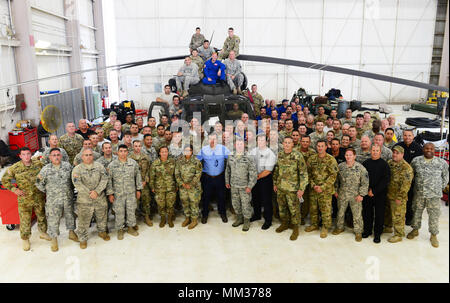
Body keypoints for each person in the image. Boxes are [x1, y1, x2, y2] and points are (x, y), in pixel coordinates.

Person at [1, 147, 51, 251]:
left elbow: (46, 174)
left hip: (38, 196)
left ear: (31, 154)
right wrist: (14, 190)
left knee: (41, 215)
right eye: (24, 154)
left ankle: (43, 232)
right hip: (24, 198)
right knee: (25, 219)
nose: (26, 156)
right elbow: (5, 180)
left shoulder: (38, 164)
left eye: (28, 154)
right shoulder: (15, 168)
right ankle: (25, 239)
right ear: (20, 156)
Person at [35, 148, 78, 252]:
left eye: (58, 155)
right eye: (54, 155)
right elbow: (38, 183)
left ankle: (71, 233)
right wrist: (48, 191)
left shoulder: (67, 166)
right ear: (50, 157)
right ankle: (54, 239)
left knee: (70, 215)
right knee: (53, 219)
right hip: (53, 200)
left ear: (61, 156)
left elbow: (73, 179)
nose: (56, 157)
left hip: (67, 197)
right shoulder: (45, 169)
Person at [408, 143, 449, 248]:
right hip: (419, 194)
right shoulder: (416, 161)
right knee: (416, 212)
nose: (429, 150)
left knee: (434, 216)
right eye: (427, 148)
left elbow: (446, 177)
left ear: (434, 150)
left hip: (434, 195)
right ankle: (415, 229)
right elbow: (411, 175)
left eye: (431, 148)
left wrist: (439, 187)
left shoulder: (442, 162)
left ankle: (433, 235)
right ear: (423, 149)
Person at [71, 148, 109, 249]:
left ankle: (102, 232)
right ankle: (82, 239)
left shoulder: (99, 166)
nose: (88, 157)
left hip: (99, 197)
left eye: (90, 155)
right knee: (83, 220)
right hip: (84, 199)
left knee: (102, 216)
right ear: (82, 157)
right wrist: (89, 193)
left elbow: (105, 179)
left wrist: (97, 191)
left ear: (93, 156)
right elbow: (77, 183)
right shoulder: (77, 169)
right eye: (86, 155)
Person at [273, 137, 308, 241]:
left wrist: (302, 189)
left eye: (289, 143)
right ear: (283, 144)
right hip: (281, 187)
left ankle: (296, 228)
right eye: (285, 142)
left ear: (293, 144)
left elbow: (303, 173)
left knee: (294, 210)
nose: (287, 144)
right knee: (282, 208)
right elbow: (277, 169)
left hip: (293, 189)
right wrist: (275, 183)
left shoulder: (298, 156)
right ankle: (284, 223)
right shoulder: (280, 154)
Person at [333, 148, 369, 242]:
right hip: (342, 194)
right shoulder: (340, 166)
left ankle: (358, 231)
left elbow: (365, 182)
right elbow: (336, 180)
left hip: (355, 195)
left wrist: (361, 195)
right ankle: (339, 227)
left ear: (354, 156)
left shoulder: (360, 168)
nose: (348, 157)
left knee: (357, 214)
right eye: (346, 155)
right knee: (340, 212)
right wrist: (335, 190)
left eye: (350, 155)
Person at [107, 145, 142, 239]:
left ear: (127, 152)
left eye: (125, 151)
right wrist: (110, 193)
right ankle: (120, 230)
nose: (123, 153)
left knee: (131, 210)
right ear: (117, 152)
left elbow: (138, 177)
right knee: (119, 212)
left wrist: (138, 189)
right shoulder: (112, 165)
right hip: (118, 194)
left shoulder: (133, 163)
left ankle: (131, 228)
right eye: (121, 151)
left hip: (130, 192)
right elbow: (109, 180)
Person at [305, 140, 338, 238]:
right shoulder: (311, 159)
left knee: (326, 210)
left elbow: (333, 176)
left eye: (322, 146)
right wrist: (313, 185)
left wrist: (322, 187)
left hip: (325, 190)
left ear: (325, 147)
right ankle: (314, 225)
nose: (320, 148)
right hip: (313, 189)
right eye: (318, 146)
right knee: (313, 208)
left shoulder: (331, 159)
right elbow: (308, 174)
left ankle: (325, 227)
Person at [197, 132, 231, 223]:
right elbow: (196, 162)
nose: (212, 141)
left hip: (220, 177)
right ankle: (205, 215)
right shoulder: (204, 150)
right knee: (206, 196)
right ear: (208, 140)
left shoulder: (223, 149)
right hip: (207, 177)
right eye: (210, 139)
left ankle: (222, 213)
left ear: (217, 140)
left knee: (221, 196)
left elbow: (231, 159)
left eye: (214, 139)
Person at [225, 139, 257, 231]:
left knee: (246, 204)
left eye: (241, 144)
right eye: (237, 144)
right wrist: (227, 181)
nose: (239, 146)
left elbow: (253, 173)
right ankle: (239, 218)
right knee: (235, 203)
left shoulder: (249, 157)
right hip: (234, 185)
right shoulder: (230, 156)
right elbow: (227, 170)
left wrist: (250, 186)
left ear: (244, 145)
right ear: (235, 145)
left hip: (244, 186)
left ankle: (247, 220)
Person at [362, 145, 390, 243]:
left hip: (380, 194)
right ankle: (367, 230)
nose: (375, 152)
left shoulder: (384, 164)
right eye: (373, 150)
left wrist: (374, 191)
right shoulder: (365, 163)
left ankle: (377, 234)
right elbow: (363, 178)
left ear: (380, 152)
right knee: (367, 213)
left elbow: (385, 180)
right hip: (367, 193)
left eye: (377, 150)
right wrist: (368, 190)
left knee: (379, 215)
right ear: (370, 151)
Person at [394, 129, 423, 225]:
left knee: (410, 199)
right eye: (405, 135)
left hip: (411, 179)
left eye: (409, 135)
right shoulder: (398, 146)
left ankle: (409, 218)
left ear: (413, 137)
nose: (407, 137)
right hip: (398, 178)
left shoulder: (418, 148)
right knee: (397, 198)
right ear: (403, 136)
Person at [248, 134, 277, 230]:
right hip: (255, 178)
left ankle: (268, 220)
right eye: (259, 140)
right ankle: (257, 215)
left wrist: (256, 177)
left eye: (262, 140)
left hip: (265, 179)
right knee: (255, 198)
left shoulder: (270, 153)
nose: (260, 142)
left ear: (266, 142)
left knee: (266, 200)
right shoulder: (253, 151)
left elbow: (268, 170)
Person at [385, 146, 413, 243]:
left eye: (397, 153)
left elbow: (406, 185)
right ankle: (388, 227)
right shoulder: (390, 163)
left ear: (402, 154)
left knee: (398, 215)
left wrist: (400, 197)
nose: (395, 155)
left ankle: (399, 234)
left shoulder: (406, 168)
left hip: (398, 197)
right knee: (388, 213)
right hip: (389, 194)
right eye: (394, 152)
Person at [175, 145, 203, 229]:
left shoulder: (196, 161)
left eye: (189, 150)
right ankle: (187, 218)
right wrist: (182, 184)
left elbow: (198, 174)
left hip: (194, 187)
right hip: (183, 187)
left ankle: (194, 220)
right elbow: (176, 174)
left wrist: (190, 184)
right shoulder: (179, 161)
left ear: (192, 151)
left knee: (194, 203)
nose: (187, 152)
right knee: (185, 202)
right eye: (186, 150)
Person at [150, 146, 177, 228]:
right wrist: (152, 187)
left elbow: (176, 175)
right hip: (159, 188)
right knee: (161, 205)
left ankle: (169, 219)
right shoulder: (155, 163)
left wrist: (176, 185)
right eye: (162, 152)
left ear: (168, 152)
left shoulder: (172, 162)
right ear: (159, 153)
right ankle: (162, 219)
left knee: (170, 204)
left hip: (171, 187)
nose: (164, 153)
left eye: (166, 151)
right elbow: (152, 176)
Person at [129, 140, 152, 227]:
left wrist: (145, 180)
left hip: (143, 183)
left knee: (146, 200)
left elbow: (149, 169)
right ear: (133, 147)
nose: (137, 148)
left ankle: (146, 217)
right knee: (134, 202)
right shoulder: (129, 158)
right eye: (136, 146)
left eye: (139, 146)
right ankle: (133, 220)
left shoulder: (145, 157)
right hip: (133, 184)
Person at [298, 135, 316, 225]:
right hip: (296, 179)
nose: (305, 143)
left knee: (306, 200)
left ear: (309, 143)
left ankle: (302, 216)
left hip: (308, 179)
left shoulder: (313, 153)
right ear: (300, 142)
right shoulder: (295, 151)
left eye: (307, 142)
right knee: (295, 199)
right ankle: (295, 216)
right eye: (303, 141)